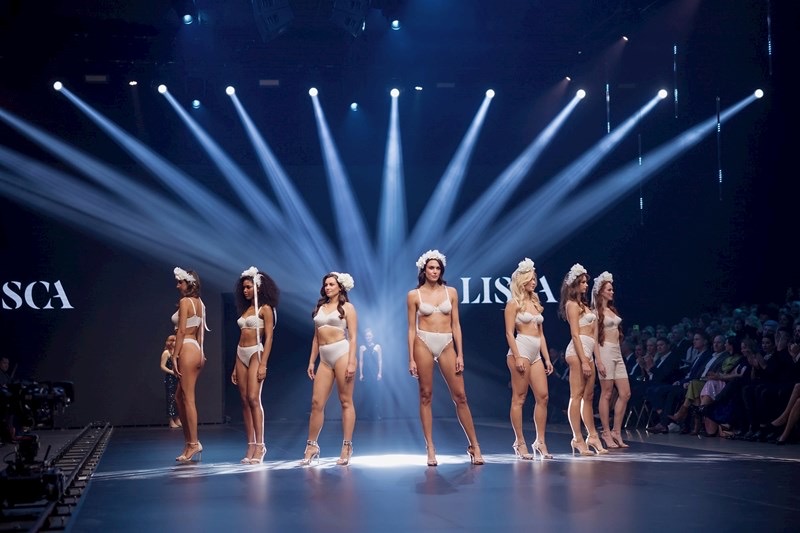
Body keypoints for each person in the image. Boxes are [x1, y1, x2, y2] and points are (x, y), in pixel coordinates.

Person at [407, 249, 484, 466]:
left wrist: (461, 354)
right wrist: (410, 358)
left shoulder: (451, 292)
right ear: (424, 270)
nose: (434, 271)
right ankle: (430, 448)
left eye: (438, 268)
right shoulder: (414, 295)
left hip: (447, 342)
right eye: (431, 267)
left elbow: (456, 324)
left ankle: (474, 445)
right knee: (426, 395)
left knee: (460, 396)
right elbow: (411, 329)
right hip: (423, 341)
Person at [301, 272, 358, 466]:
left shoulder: (348, 308)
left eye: (331, 284)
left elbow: (354, 337)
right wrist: (311, 361)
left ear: (340, 287)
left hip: (342, 353)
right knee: (316, 403)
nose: (327, 287)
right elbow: (316, 338)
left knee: (345, 401)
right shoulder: (320, 308)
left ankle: (347, 446)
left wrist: (352, 361)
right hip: (324, 358)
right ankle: (311, 446)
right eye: (326, 284)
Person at [504, 258, 554, 460]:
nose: (534, 282)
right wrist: (517, 356)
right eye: (531, 278)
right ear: (522, 280)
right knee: (520, 398)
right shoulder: (513, 304)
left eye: (535, 278)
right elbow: (509, 333)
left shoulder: (535, 303)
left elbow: (541, 334)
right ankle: (519, 442)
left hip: (536, 353)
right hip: (521, 350)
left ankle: (540, 441)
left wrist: (547, 358)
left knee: (543, 396)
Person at [231, 266, 279, 465]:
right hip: (240, 353)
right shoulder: (246, 310)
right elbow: (240, 336)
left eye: (249, 287)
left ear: (258, 287)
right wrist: (235, 366)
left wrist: (263, 364)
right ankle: (250, 444)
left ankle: (260, 445)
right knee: (244, 400)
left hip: (256, 353)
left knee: (253, 398)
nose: (245, 290)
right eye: (243, 287)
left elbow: (269, 338)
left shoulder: (265, 309)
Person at [559, 263, 607, 456]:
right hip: (577, 353)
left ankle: (593, 436)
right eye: (583, 282)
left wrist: (597, 360)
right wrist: (584, 360)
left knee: (589, 396)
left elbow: (594, 338)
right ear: (575, 285)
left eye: (587, 282)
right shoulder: (571, 305)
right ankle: (577, 438)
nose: (586, 285)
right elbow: (575, 334)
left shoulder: (586, 307)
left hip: (588, 353)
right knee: (576, 395)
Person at [171, 266, 208, 462]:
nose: (178, 285)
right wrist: (201, 352)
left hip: (186, 348)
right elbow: (201, 333)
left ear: (189, 283)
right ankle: (189, 442)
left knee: (188, 398)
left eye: (180, 282)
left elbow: (182, 331)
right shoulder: (200, 303)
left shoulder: (186, 302)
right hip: (195, 348)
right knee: (179, 398)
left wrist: (174, 355)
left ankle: (194, 443)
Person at [592, 271, 631, 449]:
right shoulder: (596, 312)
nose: (612, 292)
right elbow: (594, 339)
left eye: (612, 289)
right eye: (609, 289)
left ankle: (616, 431)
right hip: (604, 350)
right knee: (607, 393)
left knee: (625, 393)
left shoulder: (612, 310)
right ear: (601, 291)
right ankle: (606, 432)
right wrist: (598, 360)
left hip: (617, 352)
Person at [358, 327, 383, 420]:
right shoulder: (362, 347)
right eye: (366, 336)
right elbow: (361, 361)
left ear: (372, 336)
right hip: (366, 372)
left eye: (369, 336)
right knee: (367, 393)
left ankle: (376, 414)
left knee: (376, 393)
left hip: (375, 372)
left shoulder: (377, 347)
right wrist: (361, 373)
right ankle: (368, 414)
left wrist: (379, 373)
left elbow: (380, 360)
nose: (368, 337)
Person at [158, 335, 181, 428]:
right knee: (170, 399)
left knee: (178, 398)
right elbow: (162, 366)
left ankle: (177, 418)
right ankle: (171, 420)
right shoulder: (166, 353)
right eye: (174, 341)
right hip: (170, 379)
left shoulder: (177, 352)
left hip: (178, 378)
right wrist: (172, 372)